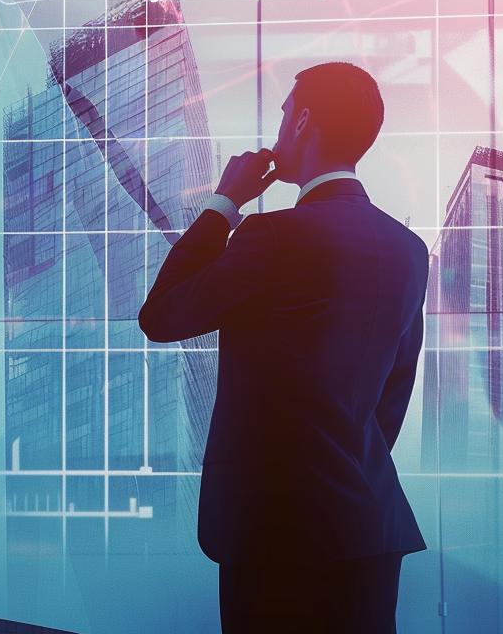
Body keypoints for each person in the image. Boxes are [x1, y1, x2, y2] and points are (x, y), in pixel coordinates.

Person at [138, 62, 427, 633]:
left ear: (304, 122)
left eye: (284, 113)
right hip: (370, 529)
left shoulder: (270, 237)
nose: (277, 130)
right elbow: (394, 392)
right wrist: (344, 467)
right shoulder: (408, 249)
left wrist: (224, 203)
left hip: (275, 533)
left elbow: (161, 315)